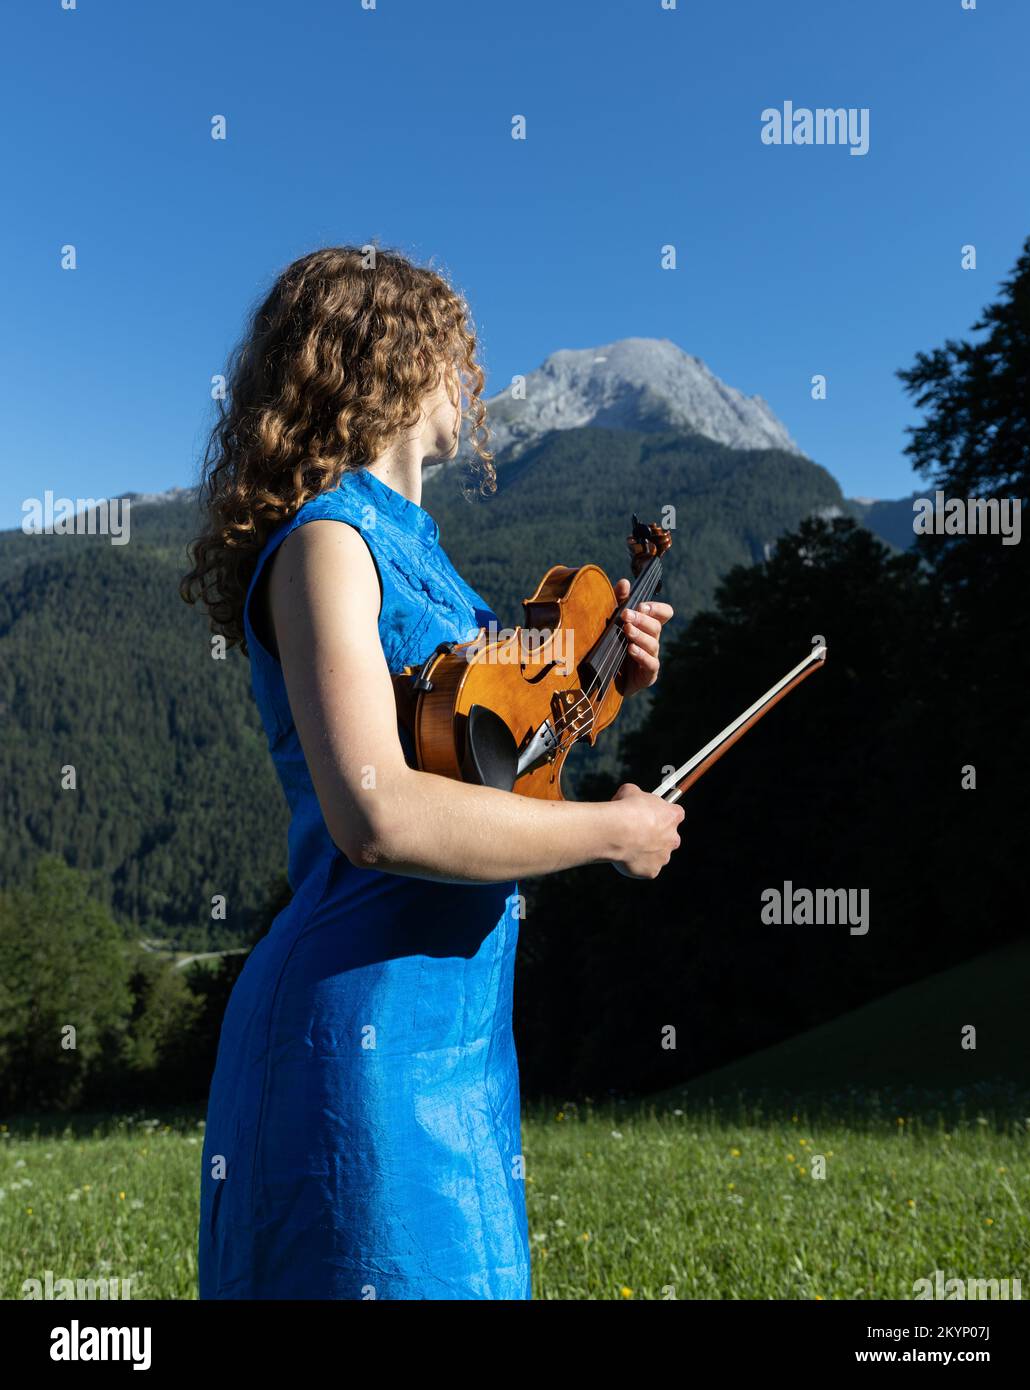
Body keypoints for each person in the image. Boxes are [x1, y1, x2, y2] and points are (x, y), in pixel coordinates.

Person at [181, 245, 684, 1300]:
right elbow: (377, 812)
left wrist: (601, 687)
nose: (473, 381)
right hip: (356, 1037)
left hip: (456, 1033)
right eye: (459, 352)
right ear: (395, 357)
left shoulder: (431, 563)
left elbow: (494, 772)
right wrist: (610, 831)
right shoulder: (327, 542)